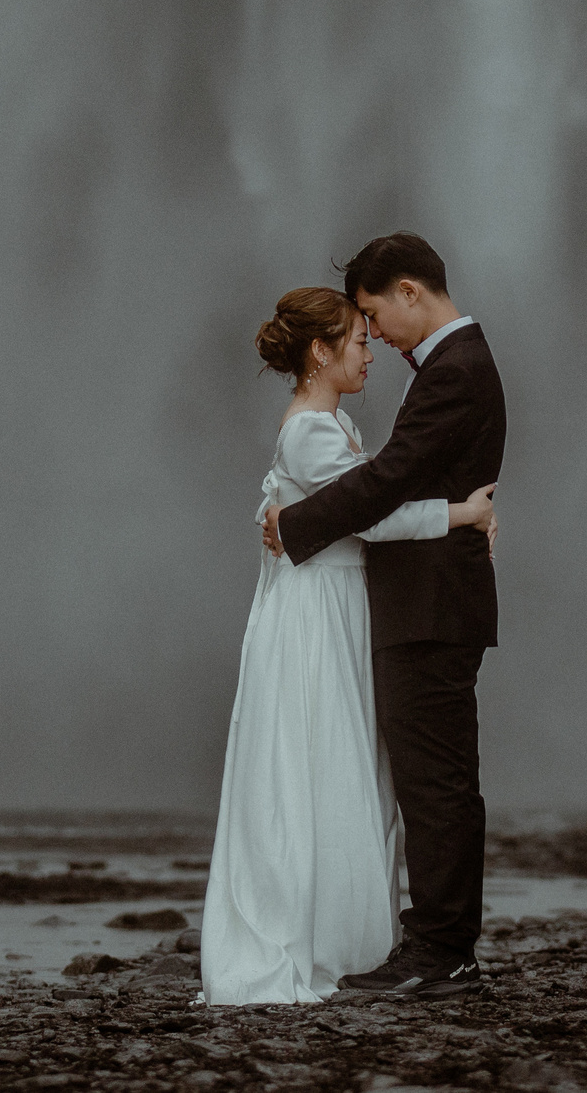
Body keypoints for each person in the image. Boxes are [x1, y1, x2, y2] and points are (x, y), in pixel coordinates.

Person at [200, 286, 498, 1006]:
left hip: (329, 604)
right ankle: (328, 936)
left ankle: (346, 934)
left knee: (335, 763)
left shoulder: (324, 425)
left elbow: (326, 499)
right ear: (319, 351)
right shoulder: (314, 429)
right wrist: (463, 512)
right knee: (324, 761)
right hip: (319, 614)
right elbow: (371, 514)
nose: (370, 352)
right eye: (358, 341)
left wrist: (281, 515)